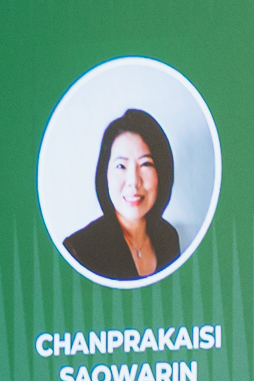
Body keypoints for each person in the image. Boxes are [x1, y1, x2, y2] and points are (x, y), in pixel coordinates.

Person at [61, 108, 181, 282]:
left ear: (162, 173)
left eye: (145, 164)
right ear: (105, 174)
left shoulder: (168, 237)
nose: (133, 181)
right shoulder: (79, 250)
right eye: (121, 166)